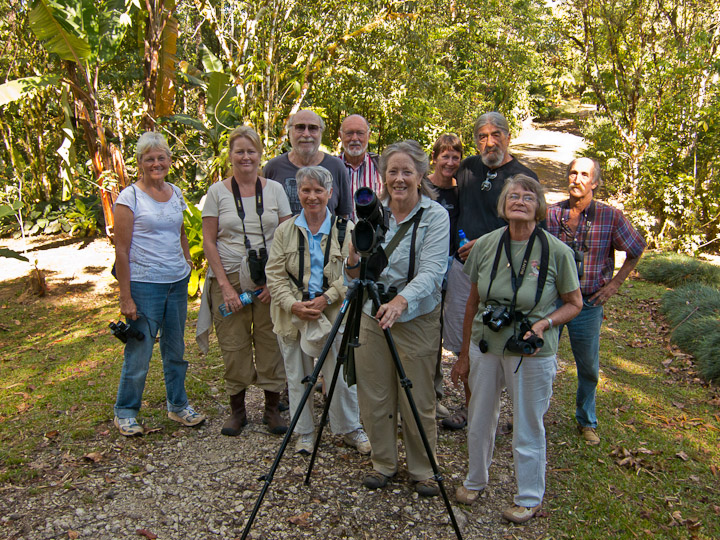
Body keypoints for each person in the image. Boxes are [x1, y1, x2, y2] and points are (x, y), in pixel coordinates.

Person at [450, 175, 582, 523]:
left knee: (527, 422)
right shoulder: (486, 245)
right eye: (512, 196)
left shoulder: (557, 252)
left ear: (538, 205)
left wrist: (544, 323)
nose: (518, 201)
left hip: (530, 351)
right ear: (503, 205)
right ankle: (475, 479)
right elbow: (472, 302)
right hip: (486, 344)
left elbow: (574, 303)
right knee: (479, 416)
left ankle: (528, 497)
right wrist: (463, 355)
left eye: (526, 196)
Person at [345, 140, 450, 497]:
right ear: (383, 176)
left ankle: (422, 469)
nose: (400, 179)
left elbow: (434, 270)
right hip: (372, 314)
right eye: (393, 171)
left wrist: (402, 301)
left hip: (416, 316)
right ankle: (383, 462)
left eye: (407, 171)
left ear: (421, 175)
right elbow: (352, 276)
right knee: (375, 393)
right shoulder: (370, 214)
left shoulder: (435, 216)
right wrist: (351, 259)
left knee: (418, 396)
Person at [442, 111, 538, 431]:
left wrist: (485, 242)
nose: (489, 141)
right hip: (463, 268)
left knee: (499, 341)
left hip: (504, 272)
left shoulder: (524, 176)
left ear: (508, 137)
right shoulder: (468, 167)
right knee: (465, 341)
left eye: (496, 134)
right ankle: (472, 410)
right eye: (482, 136)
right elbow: (439, 178)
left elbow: (531, 226)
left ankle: (502, 413)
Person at [265, 166, 371, 456]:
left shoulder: (346, 230)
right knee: (297, 374)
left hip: (334, 313)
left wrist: (327, 298)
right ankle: (304, 432)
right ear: (298, 194)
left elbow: (353, 274)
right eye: (306, 190)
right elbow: (274, 275)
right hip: (293, 315)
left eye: (318, 191)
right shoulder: (285, 231)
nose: (312, 197)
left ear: (330, 193)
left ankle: (350, 428)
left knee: (339, 372)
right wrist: (292, 304)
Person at [196, 126, 292, 436]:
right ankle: (237, 411)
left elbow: (287, 236)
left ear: (260, 154)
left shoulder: (275, 190)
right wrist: (223, 285)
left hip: (268, 279)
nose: (246, 156)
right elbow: (208, 241)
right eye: (239, 151)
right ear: (230, 156)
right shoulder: (217, 192)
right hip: (228, 278)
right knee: (234, 345)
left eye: (251, 151)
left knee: (270, 342)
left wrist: (273, 283)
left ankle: (271, 409)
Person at [546, 157, 646, 444]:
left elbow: (636, 248)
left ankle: (586, 420)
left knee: (588, 365)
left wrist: (614, 283)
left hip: (588, 304)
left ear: (595, 182)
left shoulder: (610, 217)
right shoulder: (551, 215)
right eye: (573, 173)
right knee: (539, 358)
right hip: (552, 301)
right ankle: (530, 415)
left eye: (584, 175)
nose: (577, 179)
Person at [113, 131, 206, 436]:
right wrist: (126, 298)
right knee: (140, 352)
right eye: (149, 158)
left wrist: (185, 259)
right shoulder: (130, 198)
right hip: (144, 284)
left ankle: (178, 405)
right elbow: (121, 251)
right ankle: (126, 411)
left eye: (161, 157)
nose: (156, 163)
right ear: (140, 162)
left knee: (175, 347)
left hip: (176, 282)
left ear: (169, 160)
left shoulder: (176, 192)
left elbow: (179, 231)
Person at [424, 134, 463, 419]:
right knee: (427, 328)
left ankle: (435, 392)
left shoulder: (463, 190)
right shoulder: (422, 187)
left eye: (455, 157)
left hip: (456, 266)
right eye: (445, 156)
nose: (449, 162)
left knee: (443, 331)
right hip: (428, 265)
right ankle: (424, 391)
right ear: (434, 157)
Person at [264, 110, 352, 218]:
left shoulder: (336, 167)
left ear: (321, 132)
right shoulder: (273, 168)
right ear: (289, 132)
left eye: (312, 128)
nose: (306, 134)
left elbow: (343, 216)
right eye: (300, 127)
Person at [339, 114, 382, 216]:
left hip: (375, 231)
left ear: (369, 136)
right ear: (340, 136)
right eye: (349, 133)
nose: (354, 138)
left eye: (360, 133)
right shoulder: (332, 168)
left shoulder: (382, 166)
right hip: (339, 231)